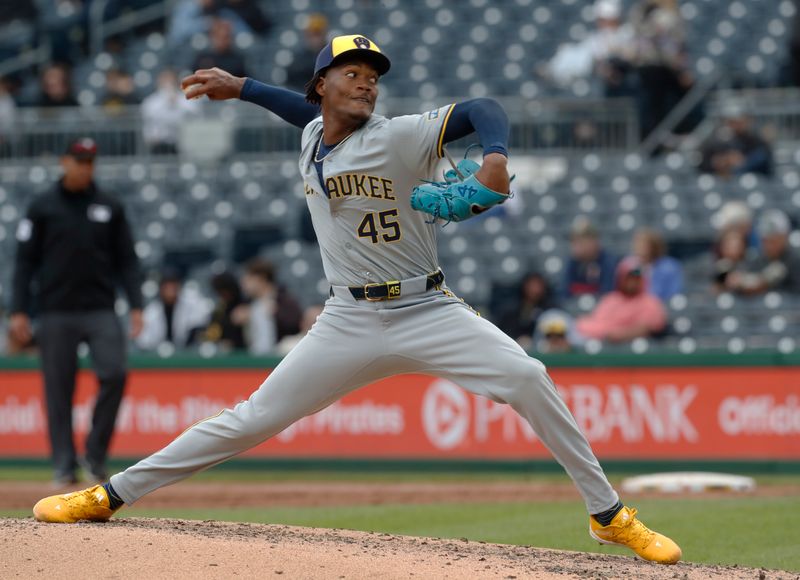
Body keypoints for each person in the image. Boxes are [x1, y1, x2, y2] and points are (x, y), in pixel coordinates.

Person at [32, 34, 681, 565]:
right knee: (251, 419)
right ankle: (110, 495)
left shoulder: (397, 135)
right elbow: (303, 115)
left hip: (428, 309)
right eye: (352, 71)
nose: (368, 80)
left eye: (373, 72)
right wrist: (244, 90)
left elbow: (482, 106)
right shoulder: (314, 134)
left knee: (529, 376)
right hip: (348, 318)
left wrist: (495, 156)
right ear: (324, 87)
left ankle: (608, 516)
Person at [11, 137, 143, 485]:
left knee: (114, 373)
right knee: (58, 390)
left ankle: (94, 456)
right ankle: (63, 465)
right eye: (79, 161)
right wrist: (19, 310)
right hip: (55, 311)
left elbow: (127, 260)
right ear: (64, 162)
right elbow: (24, 263)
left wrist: (137, 305)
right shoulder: (41, 206)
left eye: (90, 162)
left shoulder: (109, 205)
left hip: (100, 308)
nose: (85, 168)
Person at [576, 257, 667, 341]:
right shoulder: (610, 300)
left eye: (636, 278)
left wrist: (620, 334)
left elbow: (645, 328)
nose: (632, 282)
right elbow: (595, 324)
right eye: (628, 278)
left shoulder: (650, 302)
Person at [232, 258, 302, 355]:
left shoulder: (284, 301)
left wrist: (277, 313)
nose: (243, 283)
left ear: (261, 278)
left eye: (249, 278)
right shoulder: (247, 304)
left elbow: (295, 325)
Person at [724, 210, 800, 295]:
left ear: (784, 237)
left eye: (773, 240)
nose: (768, 245)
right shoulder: (757, 259)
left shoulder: (796, 260)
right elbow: (739, 280)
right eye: (765, 240)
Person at [136, 270, 211, 351]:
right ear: (161, 289)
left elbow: (201, 321)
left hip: (188, 353)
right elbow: (143, 341)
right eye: (167, 287)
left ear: (179, 287)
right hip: (159, 357)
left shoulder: (192, 304)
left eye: (173, 287)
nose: (170, 291)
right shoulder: (152, 311)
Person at [699, 106, 773, 179]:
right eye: (734, 122)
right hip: (720, 176)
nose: (738, 125)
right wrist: (724, 160)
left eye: (741, 121)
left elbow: (764, 158)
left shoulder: (754, 138)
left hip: (747, 175)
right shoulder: (717, 139)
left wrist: (742, 161)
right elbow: (705, 161)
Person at [141, 68, 202, 154]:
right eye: (165, 79)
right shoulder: (152, 100)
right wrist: (166, 101)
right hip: (159, 141)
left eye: (170, 79)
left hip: (182, 142)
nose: (168, 82)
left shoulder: (184, 97)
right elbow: (149, 114)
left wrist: (177, 102)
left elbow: (194, 111)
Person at [562, 216, 619, 298]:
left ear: (593, 241)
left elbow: (608, 294)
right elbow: (564, 294)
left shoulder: (608, 261)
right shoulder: (572, 262)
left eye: (580, 241)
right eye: (573, 241)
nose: (575, 246)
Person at [497, 272, 556, 350]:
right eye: (531, 285)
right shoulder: (511, 309)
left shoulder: (550, 310)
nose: (535, 289)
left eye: (538, 285)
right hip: (514, 347)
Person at [630, 228, 683, 302]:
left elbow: (674, 294)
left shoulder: (669, 267)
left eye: (643, 245)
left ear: (653, 247)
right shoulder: (630, 266)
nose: (639, 248)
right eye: (637, 244)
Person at [202, 271, 246, 351]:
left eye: (225, 290)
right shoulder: (219, 309)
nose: (223, 295)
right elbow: (213, 333)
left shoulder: (244, 305)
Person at [285, 13, 329, 92]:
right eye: (311, 34)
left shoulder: (332, 55)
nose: (315, 39)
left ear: (324, 34)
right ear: (306, 35)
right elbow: (290, 82)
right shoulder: (297, 59)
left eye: (317, 34)